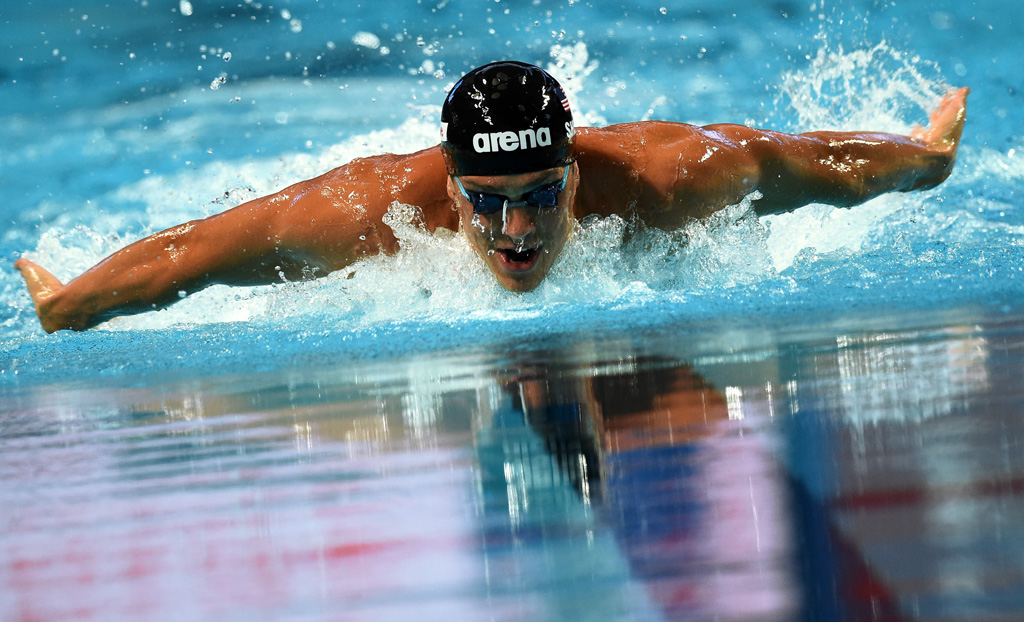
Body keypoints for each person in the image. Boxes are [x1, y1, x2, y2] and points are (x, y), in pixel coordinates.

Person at [15, 60, 968, 333]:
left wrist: (921, 158)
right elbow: (200, 253)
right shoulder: (374, 214)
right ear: (453, 183)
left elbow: (798, 161)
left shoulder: (669, 179)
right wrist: (77, 303)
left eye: (542, 196)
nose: (516, 234)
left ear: (577, 171)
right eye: (487, 201)